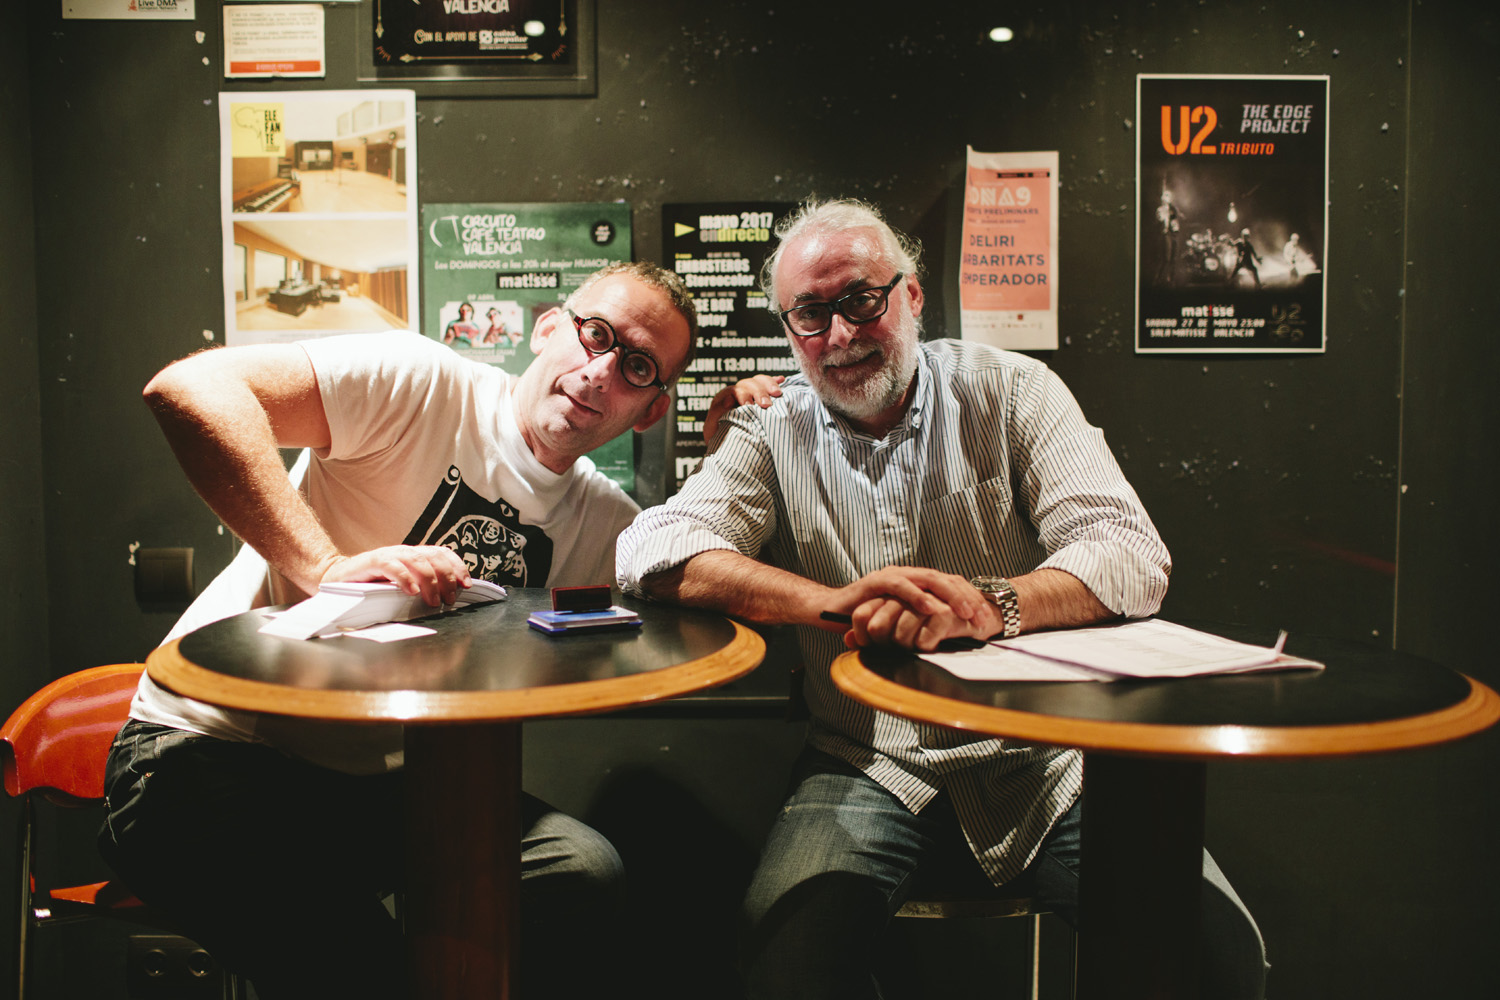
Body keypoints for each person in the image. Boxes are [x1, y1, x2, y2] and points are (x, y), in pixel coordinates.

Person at [617, 199, 1268, 999]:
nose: (840, 335)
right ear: (788, 328)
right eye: (810, 314)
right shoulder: (769, 427)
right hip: (865, 758)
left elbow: (1131, 553)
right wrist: (835, 604)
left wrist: (992, 605)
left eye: (862, 299)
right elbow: (649, 548)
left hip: (1046, 758)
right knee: (784, 966)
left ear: (913, 295)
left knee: (1215, 955)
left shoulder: (1012, 390)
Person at [100, 261, 698, 999]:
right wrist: (326, 567)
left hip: (367, 787)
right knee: (365, 972)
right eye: (595, 334)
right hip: (203, 754)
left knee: (579, 871)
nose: (601, 370)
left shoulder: (604, 521)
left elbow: (700, 573)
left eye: (637, 366)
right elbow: (190, 389)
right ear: (548, 327)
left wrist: (734, 437)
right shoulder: (421, 383)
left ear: (649, 411)